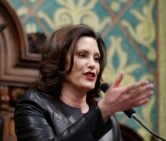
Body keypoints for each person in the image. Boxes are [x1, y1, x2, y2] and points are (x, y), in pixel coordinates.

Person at [14, 24, 154, 141]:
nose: (93, 64)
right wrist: (103, 110)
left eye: (96, 58)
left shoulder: (108, 118)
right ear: (60, 61)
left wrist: (103, 112)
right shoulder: (33, 104)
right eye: (82, 55)